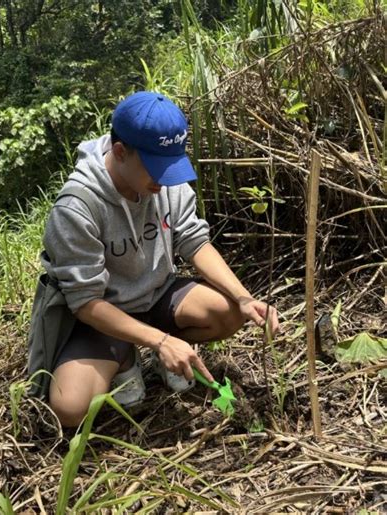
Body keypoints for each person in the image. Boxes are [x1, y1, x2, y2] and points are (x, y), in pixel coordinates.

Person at [40, 91, 279, 428]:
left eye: (172, 166)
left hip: (156, 294)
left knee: (227, 313)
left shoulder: (165, 183)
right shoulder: (77, 208)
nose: (166, 179)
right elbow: (85, 303)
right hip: (104, 312)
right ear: (120, 152)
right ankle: (126, 356)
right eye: (156, 168)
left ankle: (160, 349)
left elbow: (195, 241)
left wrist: (243, 297)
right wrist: (161, 340)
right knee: (69, 408)